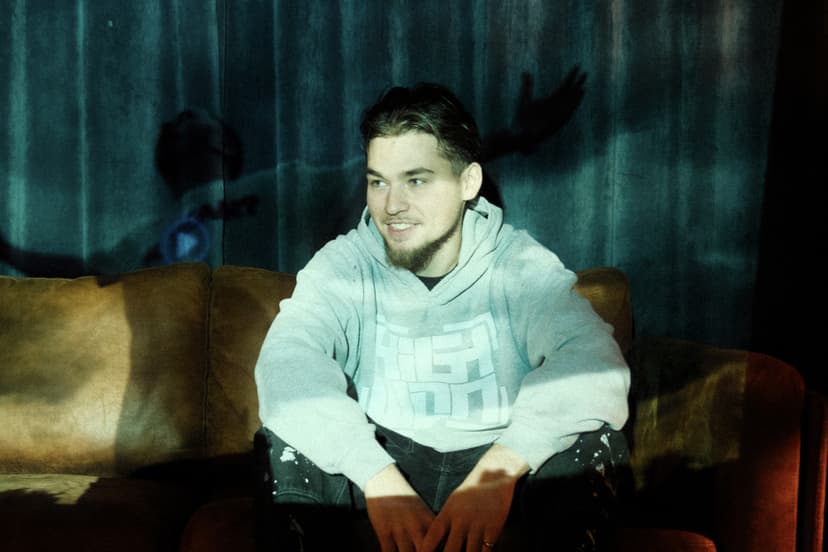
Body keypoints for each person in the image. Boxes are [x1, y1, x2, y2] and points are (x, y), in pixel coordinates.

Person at [254, 83, 630, 552]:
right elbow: (285, 365)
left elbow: (596, 362)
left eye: (416, 180)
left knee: (594, 443)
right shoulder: (346, 265)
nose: (392, 205)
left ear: (468, 183)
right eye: (378, 181)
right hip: (383, 458)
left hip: (495, 461)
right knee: (286, 441)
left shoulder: (518, 264)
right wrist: (375, 475)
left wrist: (501, 469)